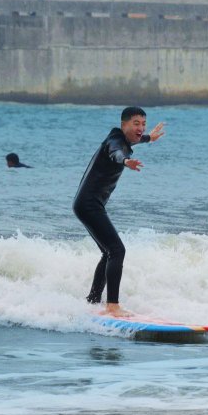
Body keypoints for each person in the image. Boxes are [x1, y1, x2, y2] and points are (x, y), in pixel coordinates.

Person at [73, 107, 165, 316]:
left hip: (87, 204)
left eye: (143, 124)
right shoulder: (115, 142)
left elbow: (132, 142)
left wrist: (150, 138)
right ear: (123, 125)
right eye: (136, 124)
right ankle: (112, 305)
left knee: (108, 252)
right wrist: (125, 161)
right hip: (89, 204)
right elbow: (116, 152)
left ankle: (93, 301)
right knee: (117, 250)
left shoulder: (122, 138)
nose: (141, 128)